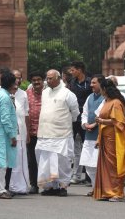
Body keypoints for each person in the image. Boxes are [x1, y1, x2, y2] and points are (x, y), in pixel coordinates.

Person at [36, 69, 79, 197]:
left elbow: (75, 113)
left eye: (50, 78)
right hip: (45, 133)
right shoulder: (44, 93)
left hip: (61, 134)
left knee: (62, 162)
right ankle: (49, 186)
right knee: (46, 162)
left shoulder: (67, 94)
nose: (47, 81)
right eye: (47, 78)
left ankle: (62, 186)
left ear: (58, 78)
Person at [93, 79, 125, 201]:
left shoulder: (116, 103)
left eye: (101, 88)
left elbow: (119, 122)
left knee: (114, 165)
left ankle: (117, 192)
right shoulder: (106, 101)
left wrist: (102, 121)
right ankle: (107, 192)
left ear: (105, 89)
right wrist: (98, 138)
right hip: (104, 137)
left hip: (114, 139)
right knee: (106, 166)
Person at [80, 75, 105, 196]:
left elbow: (102, 115)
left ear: (101, 84)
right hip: (88, 135)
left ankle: (101, 189)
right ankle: (95, 187)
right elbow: (84, 113)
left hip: (99, 135)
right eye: (91, 83)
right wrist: (85, 124)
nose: (91, 85)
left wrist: (94, 124)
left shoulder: (106, 98)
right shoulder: (90, 97)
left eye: (94, 83)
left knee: (97, 163)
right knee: (88, 163)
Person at [69, 61, 92, 184]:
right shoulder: (72, 83)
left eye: (73, 70)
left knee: (87, 146)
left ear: (79, 70)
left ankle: (89, 177)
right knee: (72, 147)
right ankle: (72, 174)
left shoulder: (90, 82)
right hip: (74, 118)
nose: (71, 72)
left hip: (86, 118)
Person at [9, 70, 30, 194]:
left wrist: (27, 132)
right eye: (15, 78)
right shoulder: (4, 93)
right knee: (10, 160)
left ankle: (20, 186)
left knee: (20, 159)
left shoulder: (23, 94)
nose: (17, 80)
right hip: (8, 132)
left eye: (19, 77)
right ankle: (10, 185)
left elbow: (26, 113)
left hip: (21, 131)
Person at [26, 71, 44, 194]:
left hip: (46, 132)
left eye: (39, 80)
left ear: (43, 81)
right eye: (34, 80)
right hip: (31, 132)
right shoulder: (26, 94)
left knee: (46, 160)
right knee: (32, 160)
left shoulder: (48, 93)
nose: (36, 82)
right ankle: (34, 184)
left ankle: (47, 184)